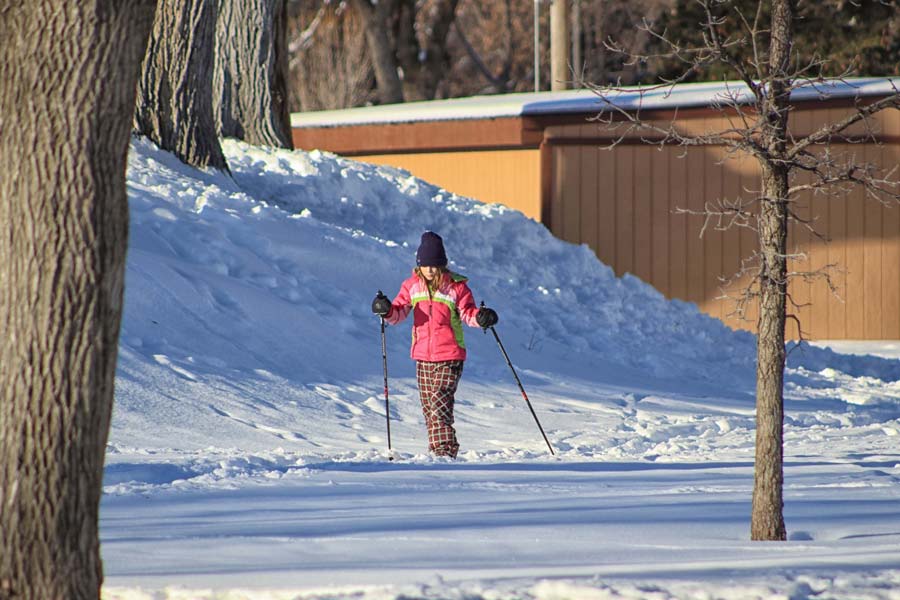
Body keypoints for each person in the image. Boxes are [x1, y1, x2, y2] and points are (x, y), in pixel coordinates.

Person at [372, 231, 498, 458]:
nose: (430, 270)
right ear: (418, 265)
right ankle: (436, 450)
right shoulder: (411, 286)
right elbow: (398, 313)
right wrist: (386, 309)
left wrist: (481, 318)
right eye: (426, 265)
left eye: (435, 265)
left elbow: (468, 313)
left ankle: (444, 452)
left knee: (439, 402)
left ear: (443, 265)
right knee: (430, 408)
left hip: (450, 355)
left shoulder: (456, 288)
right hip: (422, 356)